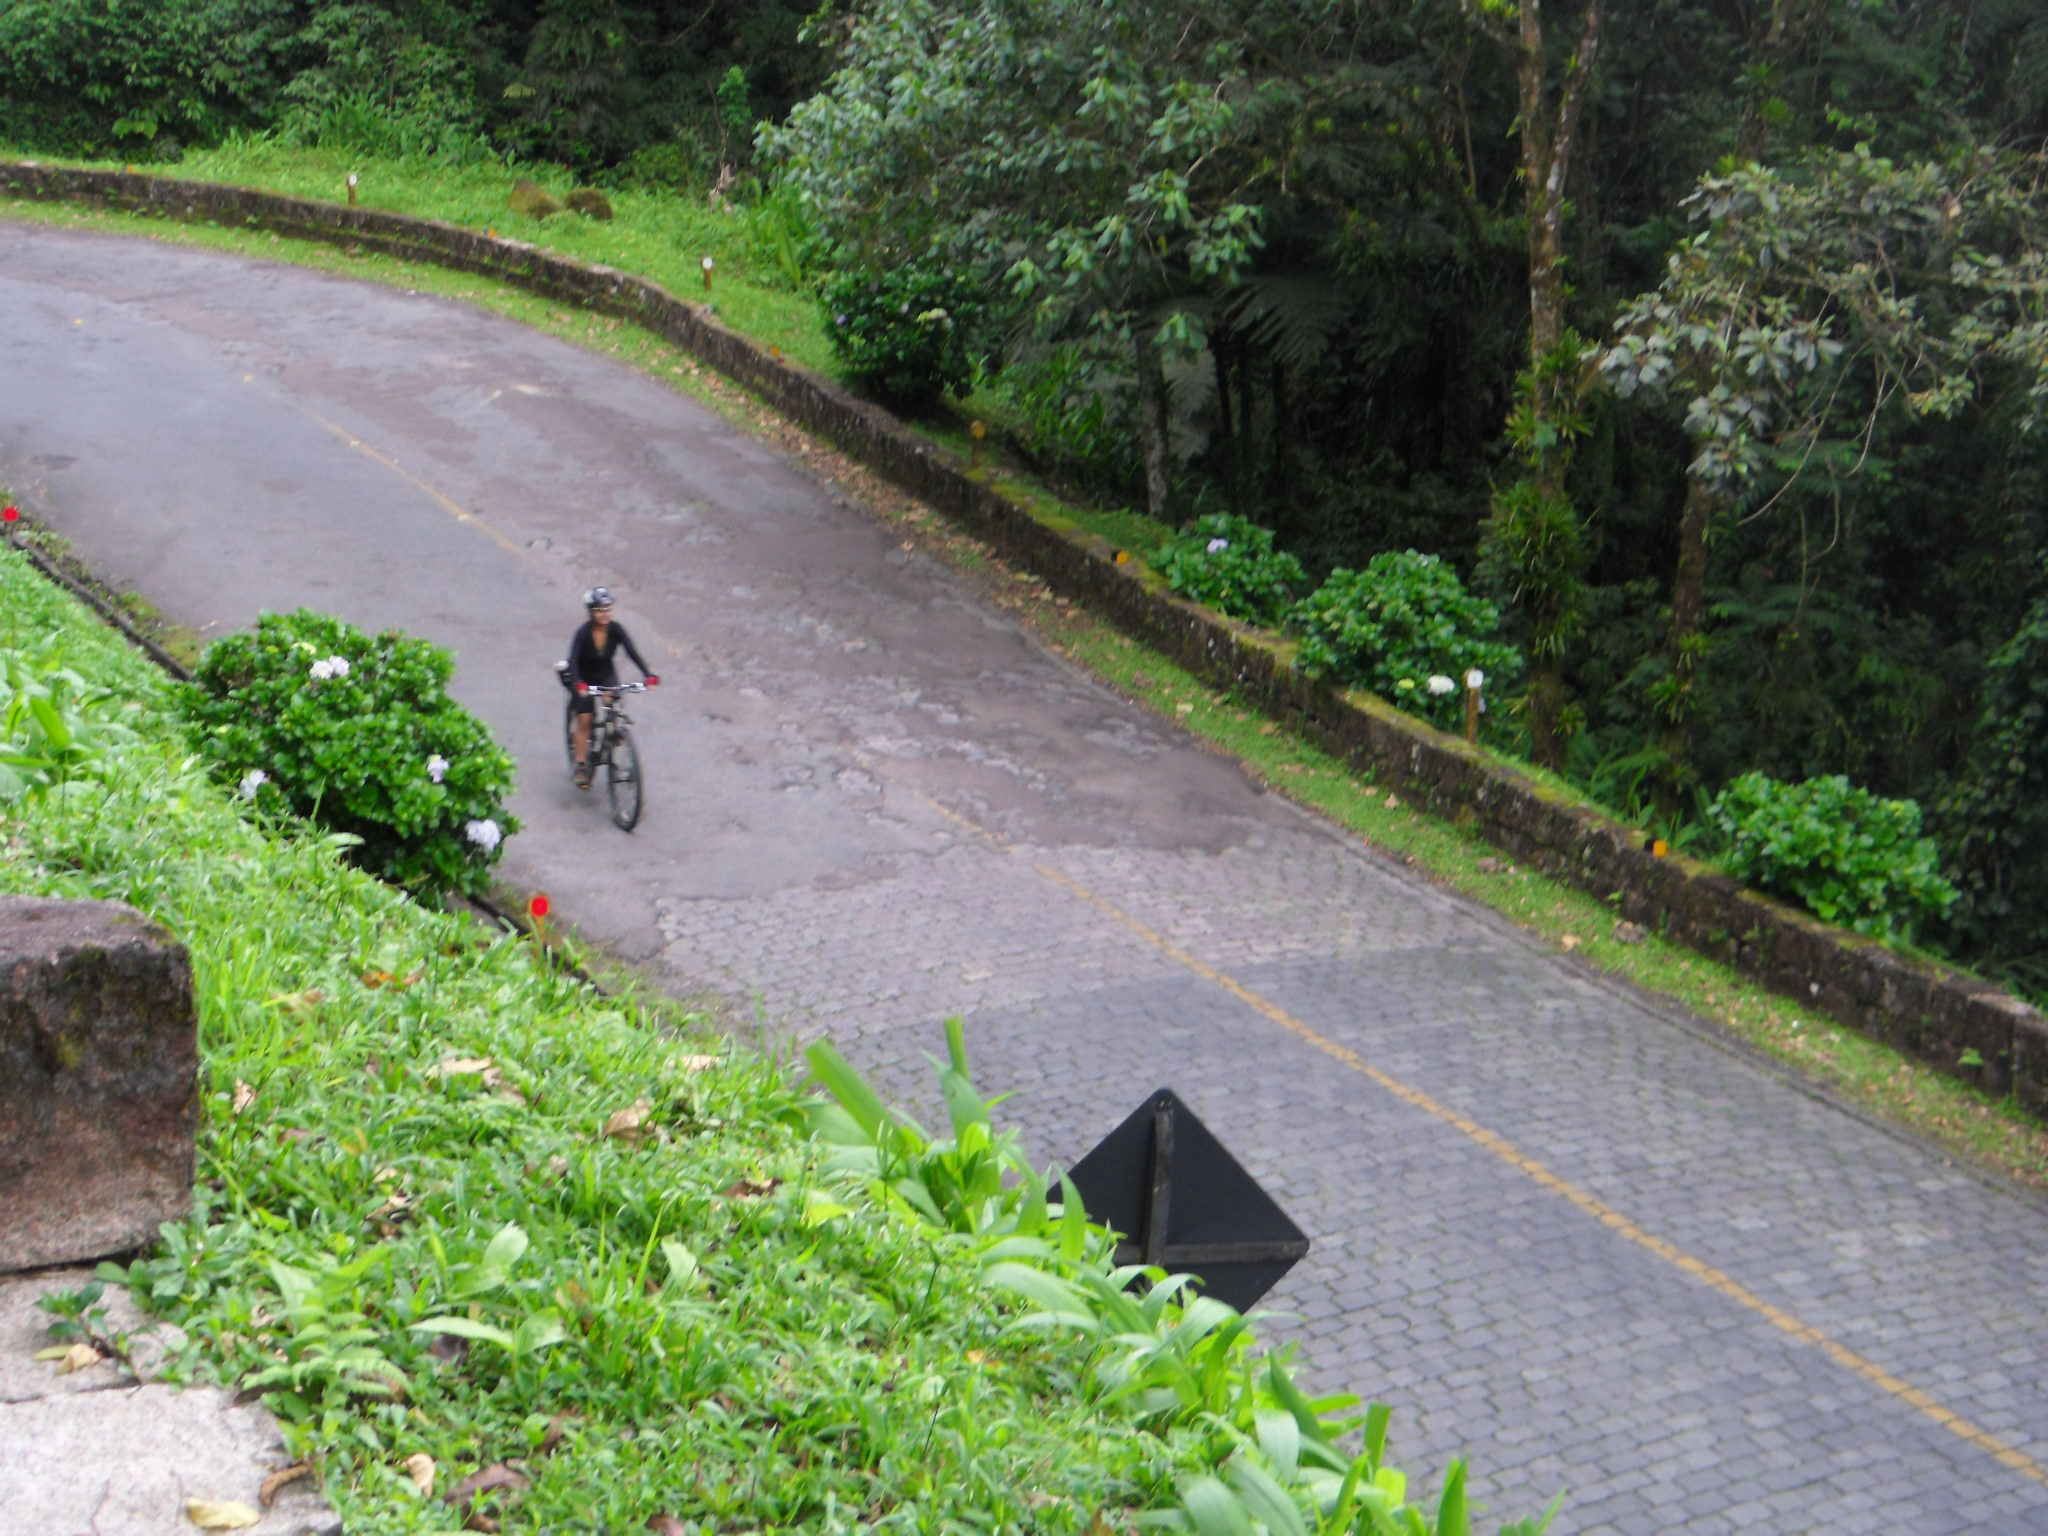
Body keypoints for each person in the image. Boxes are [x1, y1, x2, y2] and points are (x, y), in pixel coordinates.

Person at [564, 586, 657, 788]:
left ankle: (613, 736)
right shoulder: (583, 633)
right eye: (599, 610)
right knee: (585, 720)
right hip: (583, 679)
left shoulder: (616, 629)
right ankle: (581, 764)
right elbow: (572, 660)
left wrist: (647, 675)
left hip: (605, 675)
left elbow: (633, 653)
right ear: (591, 611)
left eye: (608, 609)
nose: (605, 614)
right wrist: (579, 683)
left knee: (614, 706)